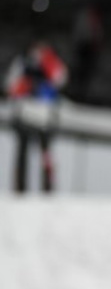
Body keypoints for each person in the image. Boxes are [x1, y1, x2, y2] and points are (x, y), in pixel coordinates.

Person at [5, 39, 68, 192]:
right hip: (25, 116)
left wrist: (47, 64)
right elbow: (11, 86)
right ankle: (20, 189)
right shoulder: (22, 63)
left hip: (45, 118)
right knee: (23, 155)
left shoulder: (52, 63)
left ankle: (47, 188)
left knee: (46, 155)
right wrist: (25, 86)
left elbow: (60, 79)